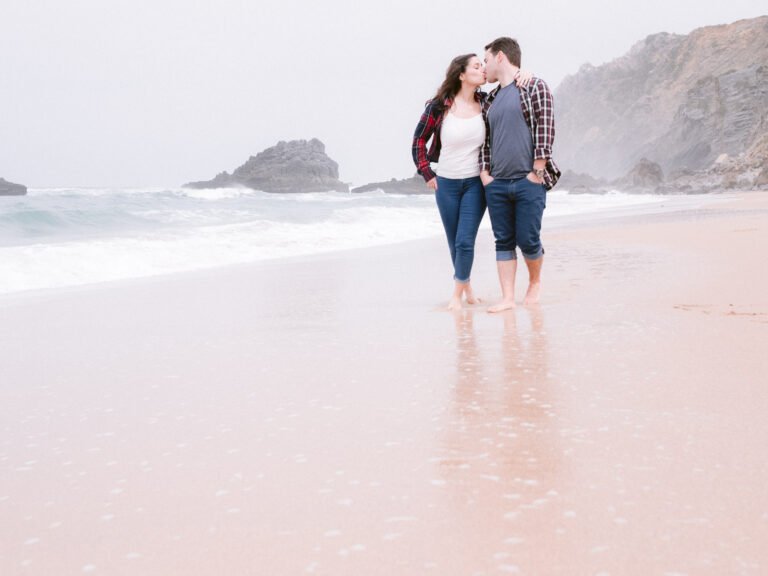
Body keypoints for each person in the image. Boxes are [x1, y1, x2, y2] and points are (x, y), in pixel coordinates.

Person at [412, 54, 531, 310]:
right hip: (446, 184)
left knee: (465, 240)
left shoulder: (487, 102)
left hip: (475, 184)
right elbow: (418, 140)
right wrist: (427, 173)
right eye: (476, 66)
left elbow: (513, 89)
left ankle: (455, 296)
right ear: (462, 75)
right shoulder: (439, 106)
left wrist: (524, 74)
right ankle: (467, 289)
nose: (482, 69)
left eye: (482, 64)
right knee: (454, 241)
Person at [480, 37, 560, 312]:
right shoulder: (490, 99)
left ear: (500, 56)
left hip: (529, 179)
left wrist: (537, 170)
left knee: (528, 239)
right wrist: (485, 173)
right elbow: (485, 140)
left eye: (487, 60)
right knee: (503, 240)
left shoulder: (534, 86)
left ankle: (535, 283)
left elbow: (545, 127)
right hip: (496, 182)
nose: (484, 67)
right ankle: (507, 298)